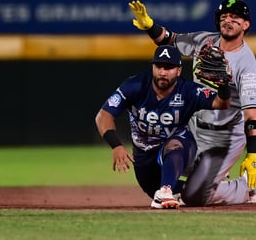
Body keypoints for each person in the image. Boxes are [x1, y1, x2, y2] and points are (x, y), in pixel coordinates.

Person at [128, 0, 256, 206]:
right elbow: (170, 40)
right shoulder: (204, 41)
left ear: (246, 25)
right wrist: (149, 25)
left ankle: (245, 188)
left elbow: (252, 115)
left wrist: (253, 155)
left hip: (225, 137)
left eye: (235, 17)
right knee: (162, 157)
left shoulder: (246, 63)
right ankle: (211, 178)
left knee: (194, 197)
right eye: (224, 16)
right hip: (195, 126)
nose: (228, 20)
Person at [95, 45, 231, 209]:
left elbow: (221, 103)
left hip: (180, 146)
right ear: (152, 67)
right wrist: (116, 145)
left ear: (179, 70)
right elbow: (103, 116)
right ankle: (233, 188)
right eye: (158, 66)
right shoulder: (135, 85)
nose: (163, 72)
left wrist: (224, 85)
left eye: (169, 67)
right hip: (144, 156)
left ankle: (166, 189)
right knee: (190, 197)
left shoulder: (188, 91)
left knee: (174, 146)